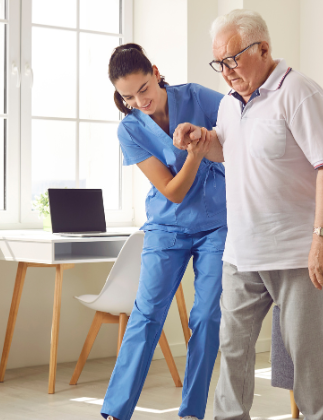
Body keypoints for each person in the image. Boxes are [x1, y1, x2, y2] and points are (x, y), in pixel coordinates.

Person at [173, 10, 323, 420]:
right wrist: (203, 139)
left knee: (307, 360)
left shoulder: (299, 93)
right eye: (219, 63)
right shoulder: (230, 105)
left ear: (263, 48)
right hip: (242, 254)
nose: (226, 71)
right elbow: (228, 149)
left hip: (298, 257)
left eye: (232, 60)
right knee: (232, 351)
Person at [101, 43, 227, 420]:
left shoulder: (195, 96)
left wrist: (209, 140)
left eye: (144, 89)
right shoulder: (130, 129)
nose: (140, 101)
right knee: (147, 315)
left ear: (156, 72)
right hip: (167, 227)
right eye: (127, 96)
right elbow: (172, 190)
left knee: (206, 316)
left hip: (217, 224)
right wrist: (196, 153)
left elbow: (242, 118)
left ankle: (191, 412)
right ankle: (114, 412)